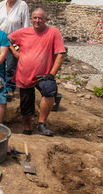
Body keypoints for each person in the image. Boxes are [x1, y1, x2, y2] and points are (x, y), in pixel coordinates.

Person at [8, 8, 65, 136]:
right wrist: (15, 53)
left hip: (43, 75)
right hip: (24, 74)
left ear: (45, 19)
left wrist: (52, 74)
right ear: (31, 19)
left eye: (40, 18)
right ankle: (27, 128)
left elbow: (60, 54)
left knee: (49, 90)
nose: (37, 20)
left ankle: (41, 124)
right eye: (35, 18)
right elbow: (8, 39)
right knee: (26, 102)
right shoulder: (23, 32)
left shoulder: (53, 32)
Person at [0, 0, 30, 98]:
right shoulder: (1, 4)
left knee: (10, 65)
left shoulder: (22, 5)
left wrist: (24, 42)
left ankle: (10, 87)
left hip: (14, 39)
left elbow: (25, 25)